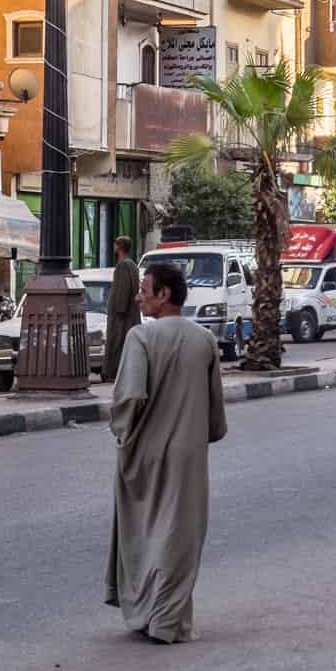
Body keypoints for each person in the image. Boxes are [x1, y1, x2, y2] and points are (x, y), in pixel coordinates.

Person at [106, 261, 227, 644]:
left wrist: (125, 436)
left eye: (145, 290)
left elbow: (130, 397)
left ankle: (144, 612)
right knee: (179, 535)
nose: (139, 297)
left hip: (144, 454)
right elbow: (215, 415)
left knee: (143, 532)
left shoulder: (140, 338)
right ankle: (168, 620)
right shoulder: (204, 339)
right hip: (188, 457)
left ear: (165, 295)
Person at [102, 236, 139, 384]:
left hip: (121, 315)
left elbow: (123, 289)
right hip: (127, 313)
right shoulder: (132, 264)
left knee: (117, 342)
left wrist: (119, 310)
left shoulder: (123, 265)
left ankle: (112, 372)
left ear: (118, 246)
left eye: (115, 244)